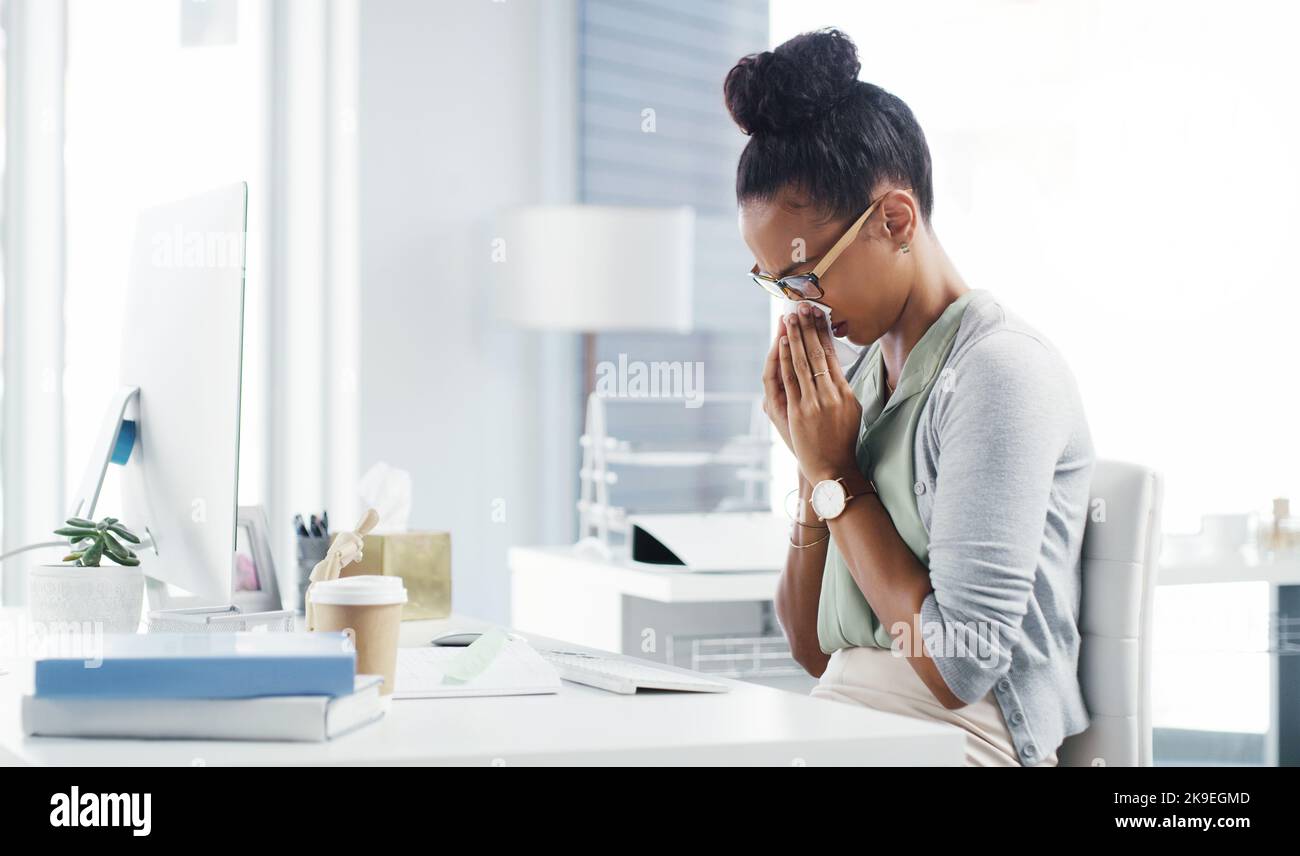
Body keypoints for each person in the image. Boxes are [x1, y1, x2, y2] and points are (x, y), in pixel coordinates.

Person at [726, 28, 1094, 766]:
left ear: (895, 220)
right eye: (775, 283)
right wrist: (811, 468)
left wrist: (841, 476)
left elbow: (959, 668)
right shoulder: (860, 380)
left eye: (806, 276)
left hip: (964, 741)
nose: (799, 307)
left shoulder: (997, 373)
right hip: (841, 727)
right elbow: (808, 647)